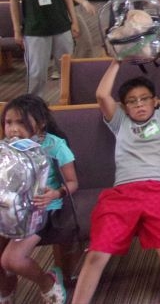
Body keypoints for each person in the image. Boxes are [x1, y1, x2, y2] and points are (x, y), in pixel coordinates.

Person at [72, 38, 160, 304]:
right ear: (124, 107)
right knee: (98, 251)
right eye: (132, 101)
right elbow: (102, 96)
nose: (138, 105)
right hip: (123, 192)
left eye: (144, 99)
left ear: (154, 101)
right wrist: (117, 60)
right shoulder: (120, 122)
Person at [0, 94, 78, 304]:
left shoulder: (55, 146)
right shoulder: (5, 148)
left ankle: (48, 282)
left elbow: (72, 182)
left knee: (11, 260)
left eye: (21, 122)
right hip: (9, 209)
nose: (13, 129)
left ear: (41, 123)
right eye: (8, 123)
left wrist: (56, 193)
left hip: (41, 209)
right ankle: (6, 292)